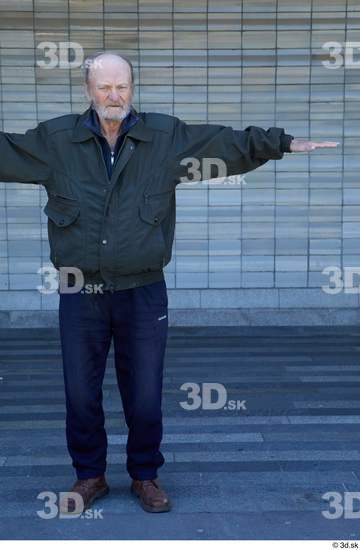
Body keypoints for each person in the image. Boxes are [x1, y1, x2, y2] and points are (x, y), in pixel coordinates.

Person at [0, 51, 338, 514]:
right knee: (80, 390)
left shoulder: (164, 137)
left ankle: (145, 475)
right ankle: (89, 476)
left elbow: (224, 145)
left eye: (122, 86)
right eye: (104, 87)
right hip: (82, 290)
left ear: (132, 88)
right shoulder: (56, 140)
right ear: (87, 91)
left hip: (142, 289)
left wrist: (280, 143)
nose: (113, 95)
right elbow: (5, 151)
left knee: (144, 391)